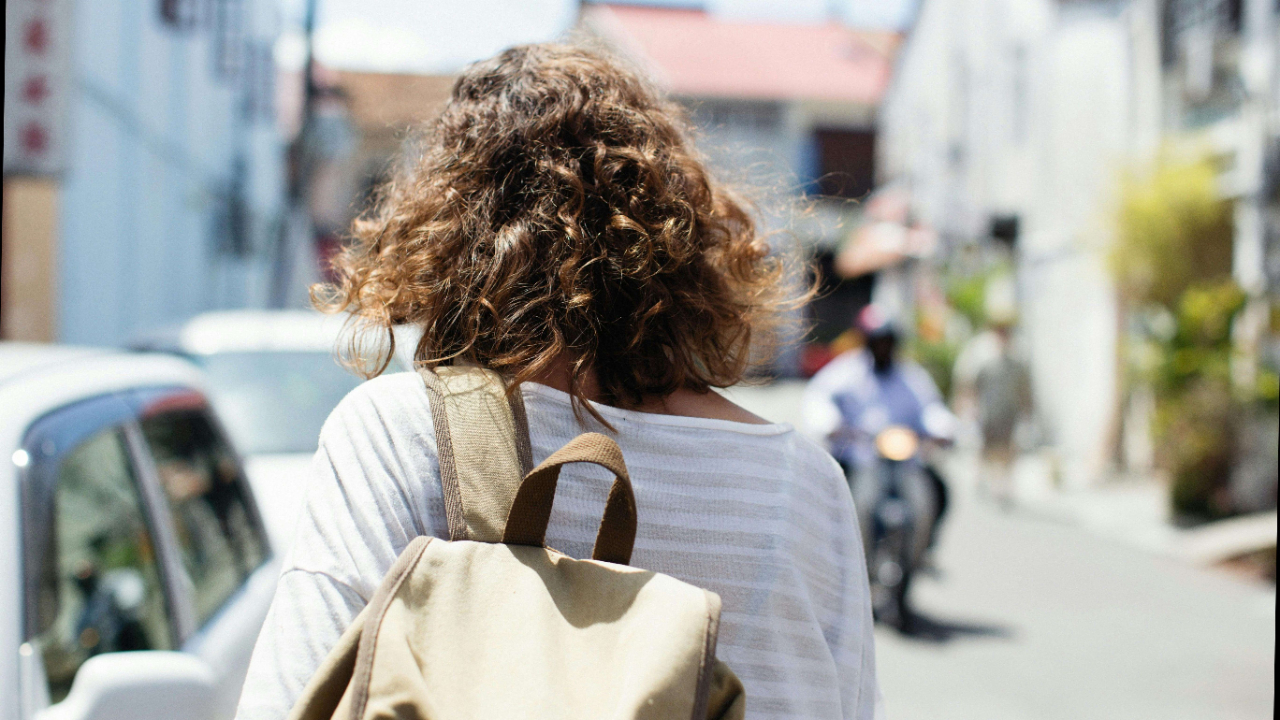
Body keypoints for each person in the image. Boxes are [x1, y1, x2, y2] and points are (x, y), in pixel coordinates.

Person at [236, 44, 880, 720]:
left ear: (447, 234)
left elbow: (290, 700)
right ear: (683, 242)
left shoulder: (398, 435)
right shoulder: (804, 482)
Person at [801, 306, 956, 552]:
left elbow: (930, 408)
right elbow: (819, 398)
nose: (883, 347)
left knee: (939, 490)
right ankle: (835, 549)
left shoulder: (911, 376)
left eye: (888, 342)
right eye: (878, 342)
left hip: (906, 458)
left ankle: (925, 546)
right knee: (826, 495)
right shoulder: (846, 372)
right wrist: (829, 423)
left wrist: (942, 428)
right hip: (859, 456)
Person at [953, 320, 1033, 508]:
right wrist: (967, 407)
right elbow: (968, 383)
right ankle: (983, 479)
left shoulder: (1018, 355)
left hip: (1009, 410)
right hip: (986, 410)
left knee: (1007, 449)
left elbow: (1024, 387)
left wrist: (1027, 410)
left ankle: (1003, 485)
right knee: (985, 448)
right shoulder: (981, 352)